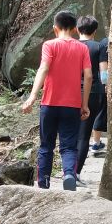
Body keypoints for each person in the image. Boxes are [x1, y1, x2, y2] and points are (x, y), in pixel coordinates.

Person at [21, 10, 91, 191]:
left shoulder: (49, 45)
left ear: (55, 28)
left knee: (46, 146)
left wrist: (32, 96)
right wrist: (84, 104)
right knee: (69, 146)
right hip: (72, 105)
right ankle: (69, 174)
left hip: (49, 104)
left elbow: (43, 68)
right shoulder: (82, 48)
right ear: (75, 29)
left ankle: (43, 182)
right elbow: (89, 77)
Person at [74, 16, 106, 178]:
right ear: (94, 31)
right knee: (84, 135)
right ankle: (75, 173)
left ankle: (68, 169)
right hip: (93, 92)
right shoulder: (98, 46)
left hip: (70, 93)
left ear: (77, 30)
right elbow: (104, 75)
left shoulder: (70, 46)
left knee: (70, 132)